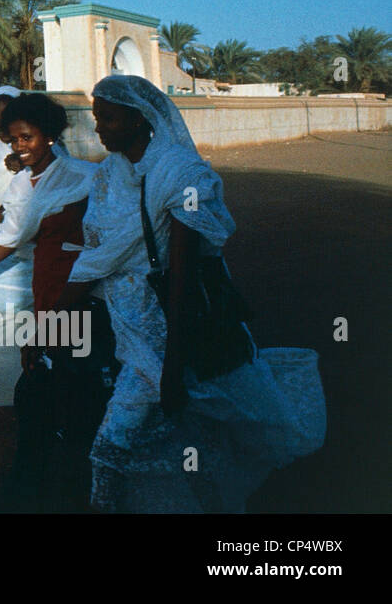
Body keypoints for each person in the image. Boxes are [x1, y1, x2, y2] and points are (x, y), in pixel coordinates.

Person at [58, 75, 326, 512]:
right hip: (133, 327)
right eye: (96, 117)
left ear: (141, 119)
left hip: (174, 331)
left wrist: (171, 368)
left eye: (108, 117)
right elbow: (97, 253)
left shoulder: (181, 175)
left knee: (113, 444)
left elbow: (182, 279)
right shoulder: (111, 173)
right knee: (192, 438)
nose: (99, 127)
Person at [0, 93, 96, 440]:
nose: (20, 146)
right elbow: (9, 237)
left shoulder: (82, 176)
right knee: (41, 351)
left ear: (49, 135)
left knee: (73, 357)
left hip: (79, 284)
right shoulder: (23, 182)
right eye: (13, 139)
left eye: (28, 137)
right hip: (45, 279)